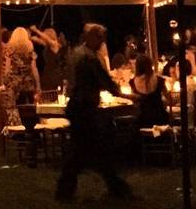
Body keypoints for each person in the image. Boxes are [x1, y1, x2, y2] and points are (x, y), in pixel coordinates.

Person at [55, 23, 132, 201]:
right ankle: (117, 188)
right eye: (100, 38)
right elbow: (101, 79)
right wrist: (122, 93)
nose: (102, 42)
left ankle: (115, 188)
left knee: (89, 152)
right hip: (83, 109)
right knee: (88, 152)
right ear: (91, 37)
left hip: (81, 108)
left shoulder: (80, 54)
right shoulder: (85, 57)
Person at [130, 54, 168, 128]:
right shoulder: (159, 80)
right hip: (160, 118)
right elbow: (168, 99)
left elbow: (135, 104)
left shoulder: (133, 82)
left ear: (137, 67)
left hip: (143, 121)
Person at [4, 28, 40, 104]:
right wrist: (38, 85)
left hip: (15, 84)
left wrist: (5, 83)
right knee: (30, 107)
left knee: (17, 107)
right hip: (28, 83)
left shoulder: (10, 48)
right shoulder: (29, 47)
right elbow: (34, 68)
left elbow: (7, 69)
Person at [31, 26, 64, 92]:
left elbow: (47, 39)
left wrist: (36, 30)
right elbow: (38, 40)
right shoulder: (47, 45)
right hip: (47, 72)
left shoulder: (55, 44)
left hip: (54, 73)